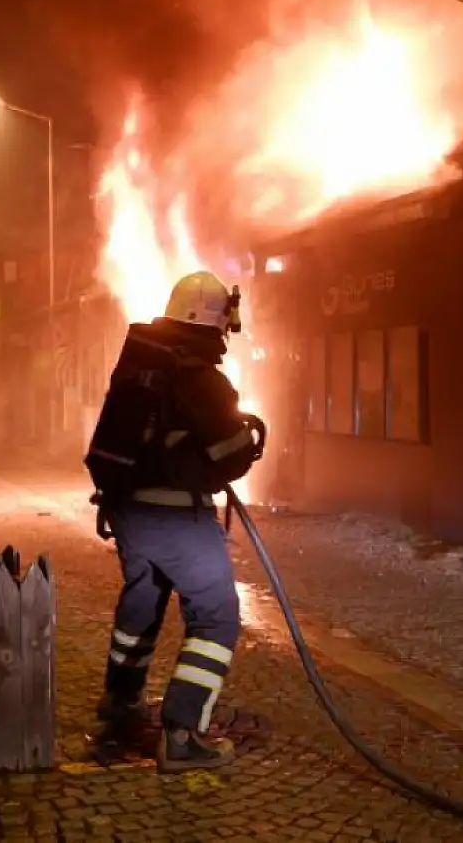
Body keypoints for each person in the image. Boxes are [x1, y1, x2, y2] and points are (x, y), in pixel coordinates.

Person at [85, 270, 264, 772]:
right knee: (217, 614)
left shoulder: (143, 364)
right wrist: (246, 439)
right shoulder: (201, 378)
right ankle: (183, 733)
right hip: (174, 517)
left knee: (141, 606)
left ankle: (120, 705)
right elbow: (231, 457)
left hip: (128, 512)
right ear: (212, 321)